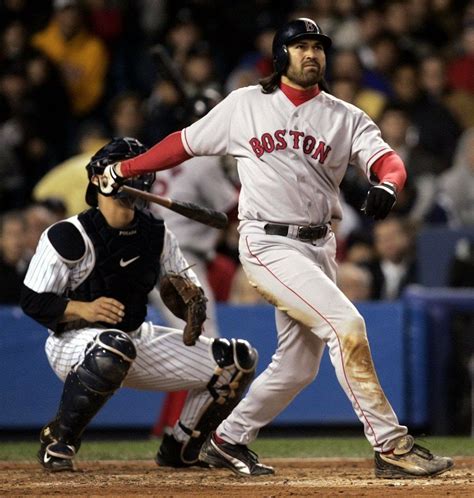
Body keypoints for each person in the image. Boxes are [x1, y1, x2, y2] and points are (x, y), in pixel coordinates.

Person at [98, 19, 453, 479]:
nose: (312, 54)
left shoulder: (345, 115)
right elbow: (181, 144)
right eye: (301, 46)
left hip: (320, 245)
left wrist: (388, 184)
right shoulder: (245, 104)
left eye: (318, 47)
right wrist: (127, 167)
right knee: (347, 326)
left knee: (298, 366)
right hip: (266, 242)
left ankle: (227, 438)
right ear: (281, 55)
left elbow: (387, 161)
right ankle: (391, 443)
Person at [20, 137, 258, 472]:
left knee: (237, 360)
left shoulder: (157, 234)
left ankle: (180, 446)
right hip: (73, 343)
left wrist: (191, 305)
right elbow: (32, 300)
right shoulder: (68, 235)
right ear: (97, 178)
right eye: (122, 166)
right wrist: (83, 309)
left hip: (136, 338)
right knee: (112, 348)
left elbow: (185, 287)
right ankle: (60, 439)